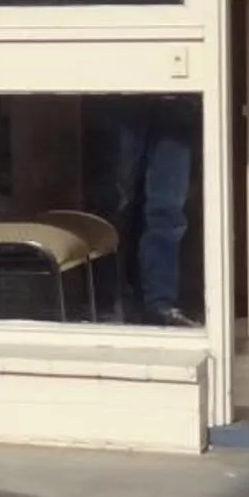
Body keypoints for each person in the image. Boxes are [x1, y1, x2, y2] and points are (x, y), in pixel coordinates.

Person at [83, 93, 199, 326]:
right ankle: (107, 304)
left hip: (178, 92)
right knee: (115, 204)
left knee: (167, 209)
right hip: (125, 88)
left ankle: (159, 305)